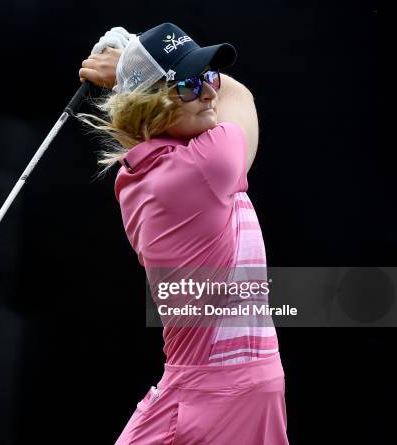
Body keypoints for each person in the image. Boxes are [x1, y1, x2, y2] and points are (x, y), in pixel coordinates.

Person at [77, 23, 289, 444]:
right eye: (190, 85)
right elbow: (239, 95)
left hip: (218, 391)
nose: (210, 91)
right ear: (149, 104)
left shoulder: (142, 172)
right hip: (218, 396)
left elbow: (218, 95)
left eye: (209, 75)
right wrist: (128, 66)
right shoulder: (204, 166)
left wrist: (137, 67)